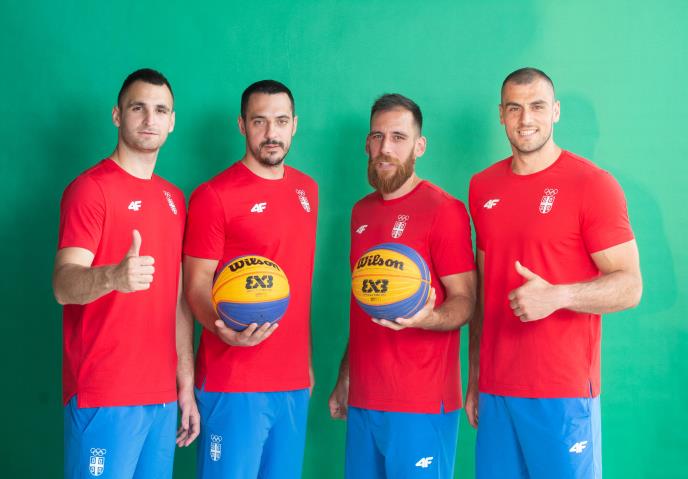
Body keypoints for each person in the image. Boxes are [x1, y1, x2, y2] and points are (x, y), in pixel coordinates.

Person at [466, 67, 643, 479]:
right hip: (496, 389)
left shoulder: (592, 184)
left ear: (556, 111)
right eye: (515, 108)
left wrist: (559, 296)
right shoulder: (482, 186)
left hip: (562, 391)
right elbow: (483, 291)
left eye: (537, 106)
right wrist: (475, 376)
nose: (526, 119)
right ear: (501, 114)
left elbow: (631, 285)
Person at [53, 68, 199, 479]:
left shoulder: (174, 199)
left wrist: (185, 384)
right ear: (118, 115)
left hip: (161, 397)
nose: (150, 119)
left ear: (172, 121)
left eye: (160, 110)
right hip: (104, 393)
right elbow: (63, 284)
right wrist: (112, 278)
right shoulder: (90, 189)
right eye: (138, 108)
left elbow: (177, 300)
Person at [329, 94, 476, 479]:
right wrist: (346, 375)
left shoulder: (444, 210)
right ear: (367, 143)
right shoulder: (360, 212)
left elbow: (466, 300)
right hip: (364, 397)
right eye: (378, 136)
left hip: (421, 402)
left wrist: (428, 318)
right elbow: (365, 305)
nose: (386, 148)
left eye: (398, 137)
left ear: (419, 146)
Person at [183, 80, 318, 479]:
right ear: (242, 125)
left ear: (295, 124)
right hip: (233, 380)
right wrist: (222, 329)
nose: (271, 133)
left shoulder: (307, 190)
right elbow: (195, 284)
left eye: (281, 121)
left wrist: (306, 363)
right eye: (260, 121)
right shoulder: (214, 195)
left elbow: (298, 283)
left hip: (293, 382)